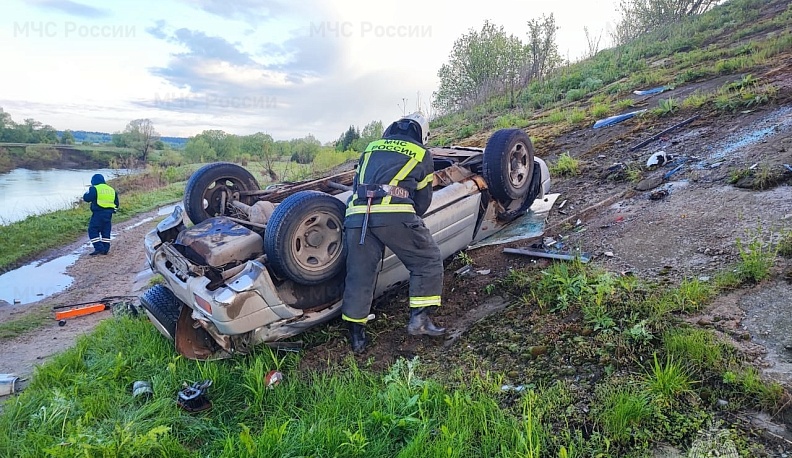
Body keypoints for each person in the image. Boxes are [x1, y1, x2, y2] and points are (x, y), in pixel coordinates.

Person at [341, 112, 445, 354]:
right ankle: (419, 321)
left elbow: (356, 186)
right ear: (422, 133)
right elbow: (423, 199)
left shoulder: (370, 148)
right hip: (395, 213)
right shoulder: (421, 153)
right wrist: (409, 224)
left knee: (359, 273)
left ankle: (357, 338)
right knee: (427, 260)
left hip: (357, 215)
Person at [82, 173, 118, 255]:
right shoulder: (111, 190)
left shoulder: (94, 188)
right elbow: (116, 203)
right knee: (106, 231)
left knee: (93, 230)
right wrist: (113, 211)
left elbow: (87, 198)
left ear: (93, 181)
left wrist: (87, 192)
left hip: (98, 213)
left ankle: (99, 248)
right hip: (108, 215)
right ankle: (105, 249)